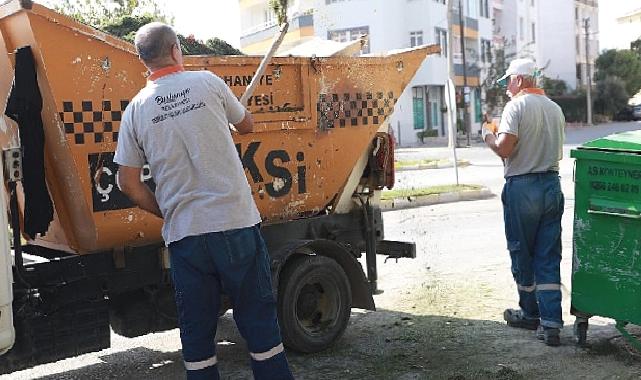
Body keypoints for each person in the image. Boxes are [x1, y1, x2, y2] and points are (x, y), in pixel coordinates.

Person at [114, 22, 294, 379]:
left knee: (197, 337)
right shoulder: (207, 83)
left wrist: (168, 213)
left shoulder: (135, 110)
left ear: (143, 62)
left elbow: (127, 184)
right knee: (259, 323)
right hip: (235, 225)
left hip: (186, 236)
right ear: (177, 50)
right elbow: (247, 126)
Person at [482, 58, 565, 347]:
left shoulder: (515, 106)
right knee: (548, 254)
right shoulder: (555, 109)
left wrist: (489, 137)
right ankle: (552, 322)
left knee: (522, 251)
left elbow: (505, 148)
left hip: (523, 187)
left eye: (508, 81)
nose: (506, 87)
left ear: (519, 79)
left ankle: (530, 314)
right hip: (552, 185)